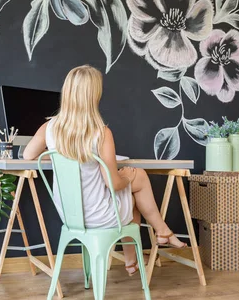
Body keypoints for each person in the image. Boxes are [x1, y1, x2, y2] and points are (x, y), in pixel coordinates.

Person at [23, 65, 187, 276]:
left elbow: (28, 155)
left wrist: (56, 155)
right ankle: (161, 233)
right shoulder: (101, 133)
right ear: (94, 96)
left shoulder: (49, 128)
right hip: (98, 216)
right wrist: (126, 177)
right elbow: (113, 184)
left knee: (130, 195)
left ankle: (140, 252)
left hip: (69, 215)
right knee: (137, 179)